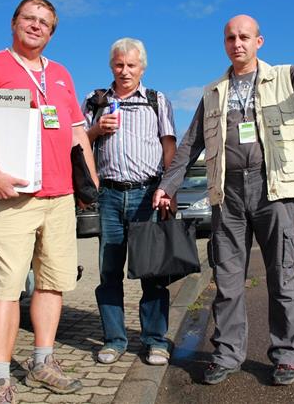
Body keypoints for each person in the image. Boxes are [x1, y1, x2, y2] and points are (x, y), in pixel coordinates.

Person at [153, 15, 294, 386]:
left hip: (274, 190)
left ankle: (287, 355)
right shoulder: (212, 92)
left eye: (244, 37)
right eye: (230, 38)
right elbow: (190, 144)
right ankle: (226, 354)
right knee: (228, 278)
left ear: (259, 41)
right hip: (228, 192)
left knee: (282, 276)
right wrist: (168, 184)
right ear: (224, 43)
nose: (236, 43)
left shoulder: (284, 78)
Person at [0, 0, 97, 403]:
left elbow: (76, 134)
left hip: (60, 198)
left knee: (52, 285)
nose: (36, 26)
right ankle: (0, 380)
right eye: (29, 19)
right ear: (14, 22)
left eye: (44, 22)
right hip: (11, 198)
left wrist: (90, 185)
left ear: (52, 32)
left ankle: (42, 363)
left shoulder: (61, 74)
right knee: (5, 288)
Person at [82, 37, 177, 367]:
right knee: (109, 272)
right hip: (108, 196)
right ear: (111, 66)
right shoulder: (95, 101)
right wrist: (96, 130)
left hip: (146, 195)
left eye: (131, 65)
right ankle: (114, 339)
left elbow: (169, 147)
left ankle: (155, 340)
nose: (125, 71)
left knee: (152, 272)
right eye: (119, 65)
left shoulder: (156, 100)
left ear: (142, 67)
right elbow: (79, 143)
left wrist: (168, 189)